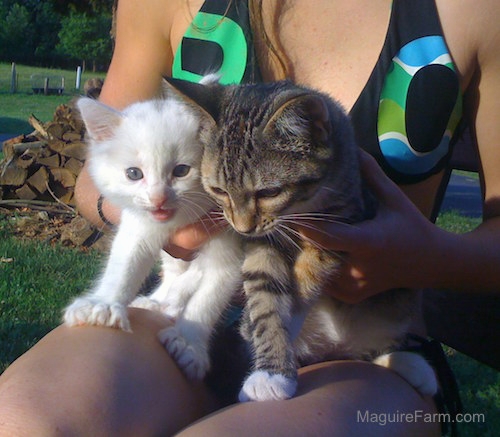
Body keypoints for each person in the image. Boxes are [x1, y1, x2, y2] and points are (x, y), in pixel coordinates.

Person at [1, 0, 499, 435]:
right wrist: (163, 220)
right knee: (25, 420)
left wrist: (425, 258)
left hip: (357, 334)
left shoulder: (474, 10)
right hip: (195, 306)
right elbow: (99, 171)